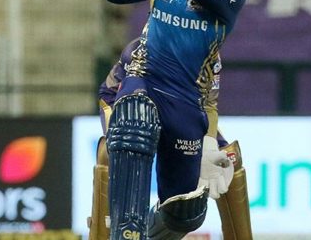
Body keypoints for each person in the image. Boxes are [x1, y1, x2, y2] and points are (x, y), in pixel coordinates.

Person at [102, 0, 250, 240]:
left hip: (186, 103)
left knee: (184, 212)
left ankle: (149, 231)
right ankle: (125, 232)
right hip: (145, 80)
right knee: (134, 122)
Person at [87, 38, 253, 240]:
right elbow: (138, 96)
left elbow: (208, 104)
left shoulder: (210, 54)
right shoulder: (143, 49)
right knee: (119, 147)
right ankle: (109, 231)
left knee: (228, 158)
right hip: (126, 101)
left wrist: (208, 145)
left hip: (182, 107)